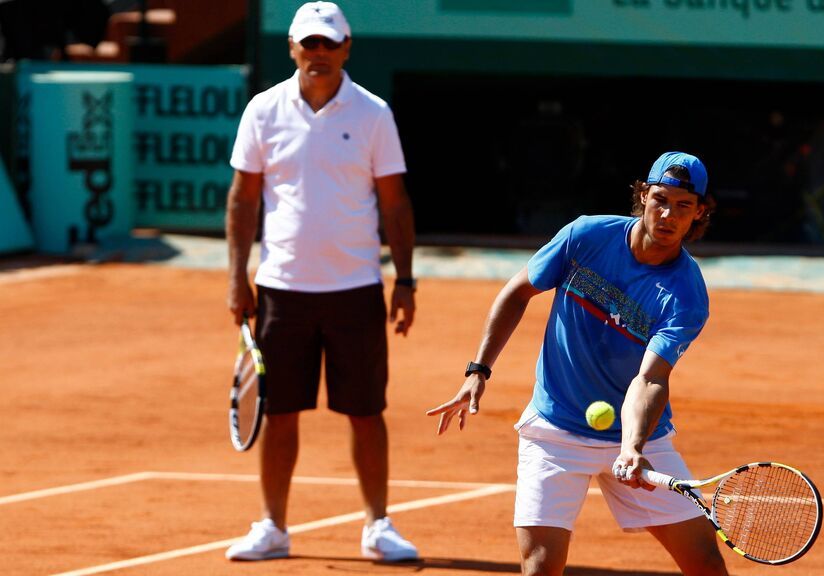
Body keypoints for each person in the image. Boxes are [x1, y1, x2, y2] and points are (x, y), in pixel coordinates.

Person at [428, 151, 729, 575]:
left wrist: (633, 447)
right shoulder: (587, 236)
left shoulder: (686, 295)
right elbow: (517, 293)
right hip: (555, 430)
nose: (668, 215)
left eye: (683, 206)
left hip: (638, 437)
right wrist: (478, 370)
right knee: (541, 567)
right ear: (643, 195)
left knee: (705, 562)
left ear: (699, 212)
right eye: (661, 199)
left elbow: (650, 378)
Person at [224, 1, 418, 563]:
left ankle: (378, 525)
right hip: (281, 288)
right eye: (309, 43)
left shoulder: (374, 113)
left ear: (346, 49)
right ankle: (273, 527)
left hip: (356, 288)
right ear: (292, 48)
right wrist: (238, 278)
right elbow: (243, 198)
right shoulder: (262, 110)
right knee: (278, 411)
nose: (319, 54)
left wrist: (404, 281)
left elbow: (395, 202)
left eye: (329, 44)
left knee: (365, 412)